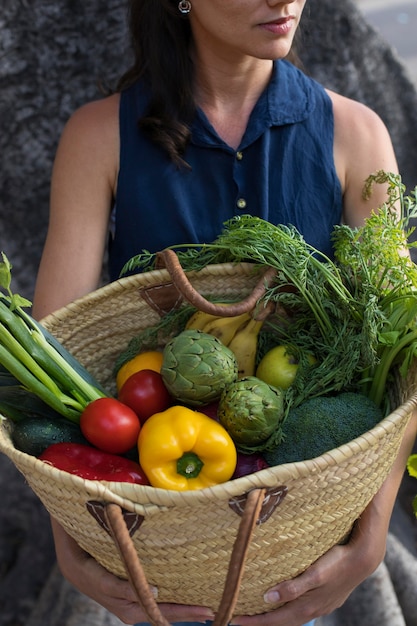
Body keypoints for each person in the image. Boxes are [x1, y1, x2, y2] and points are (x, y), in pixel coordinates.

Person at [32, 1, 417, 625]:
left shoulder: (356, 133)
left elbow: (407, 355)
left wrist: (369, 543)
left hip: (296, 549)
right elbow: (52, 361)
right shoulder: (99, 135)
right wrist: (75, 543)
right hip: (154, 541)